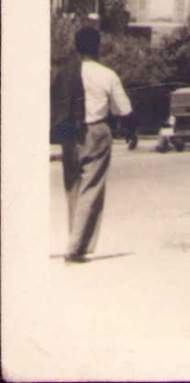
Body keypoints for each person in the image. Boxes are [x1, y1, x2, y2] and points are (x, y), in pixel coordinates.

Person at [58, 26, 135, 264]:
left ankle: (76, 241)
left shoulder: (64, 73)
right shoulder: (107, 75)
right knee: (91, 188)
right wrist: (131, 132)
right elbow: (123, 109)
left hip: (69, 133)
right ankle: (76, 247)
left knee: (73, 187)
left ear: (76, 47)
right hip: (96, 131)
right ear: (97, 47)